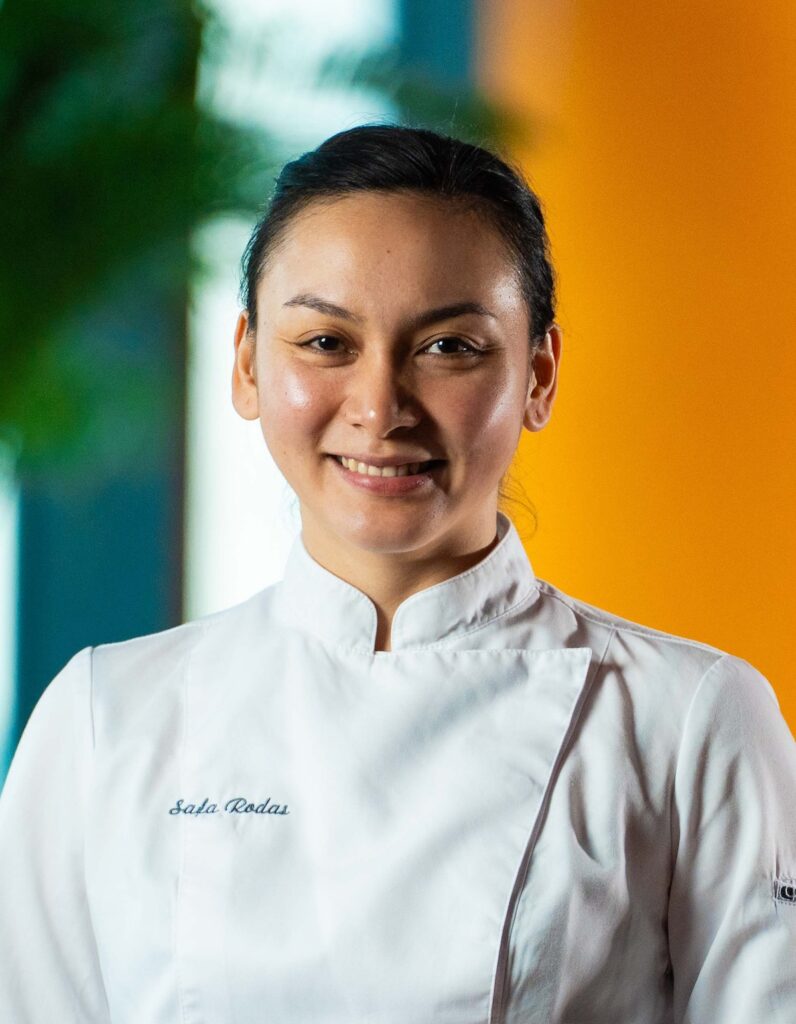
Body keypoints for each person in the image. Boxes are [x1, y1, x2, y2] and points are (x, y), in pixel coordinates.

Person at [0, 123, 794, 1024]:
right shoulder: (105, 717)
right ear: (247, 364)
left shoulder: (689, 722)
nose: (380, 409)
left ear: (538, 375)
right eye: (325, 342)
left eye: (449, 347)